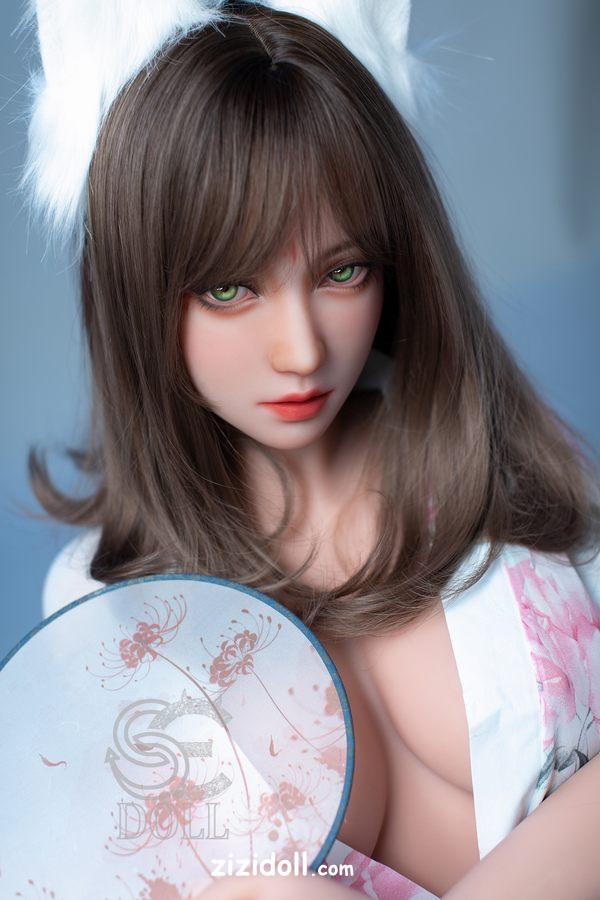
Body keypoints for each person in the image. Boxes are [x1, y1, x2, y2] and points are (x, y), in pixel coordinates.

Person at [22, 2, 600, 897]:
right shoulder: (102, 610)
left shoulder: (505, 466)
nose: (301, 349)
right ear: (138, 294)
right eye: (230, 288)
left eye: (342, 271)